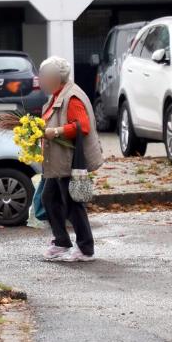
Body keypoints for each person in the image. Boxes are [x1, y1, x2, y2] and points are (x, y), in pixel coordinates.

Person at [38, 56, 104, 262]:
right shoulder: (56, 95)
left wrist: (54, 132)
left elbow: (82, 126)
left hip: (69, 160)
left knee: (73, 203)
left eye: (44, 76)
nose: (41, 80)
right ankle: (61, 242)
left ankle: (86, 248)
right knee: (49, 198)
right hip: (59, 160)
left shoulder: (72, 97)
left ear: (56, 78)